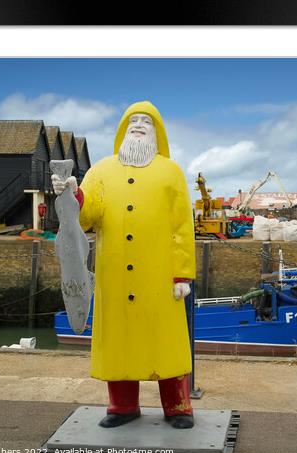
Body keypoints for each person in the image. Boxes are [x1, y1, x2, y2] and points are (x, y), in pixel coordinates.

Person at [52, 101, 196, 429]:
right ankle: (122, 406)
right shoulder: (101, 170)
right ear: (123, 129)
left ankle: (178, 406)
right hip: (114, 276)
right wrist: (73, 194)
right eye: (133, 120)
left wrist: (181, 273)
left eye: (147, 121)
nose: (140, 125)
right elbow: (88, 217)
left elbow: (181, 227)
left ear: (157, 132)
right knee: (119, 342)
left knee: (166, 342)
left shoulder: (170, 172)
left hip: (159, 278)